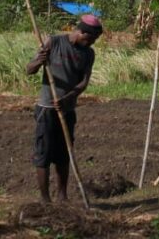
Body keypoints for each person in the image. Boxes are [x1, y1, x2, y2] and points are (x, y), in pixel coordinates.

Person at [25, 14, 102, 204]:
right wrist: (39, 61)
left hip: (67, 110)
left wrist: (68, 98)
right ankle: (45, 199)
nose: (91, 43)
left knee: (63, 154)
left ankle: (62, 196)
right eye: (90, 39)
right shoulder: (54, 42)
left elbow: (83, 82)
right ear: (81, 32)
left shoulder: (88, 54)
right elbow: (29, 69)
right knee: (43, 154)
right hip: (47, 109)